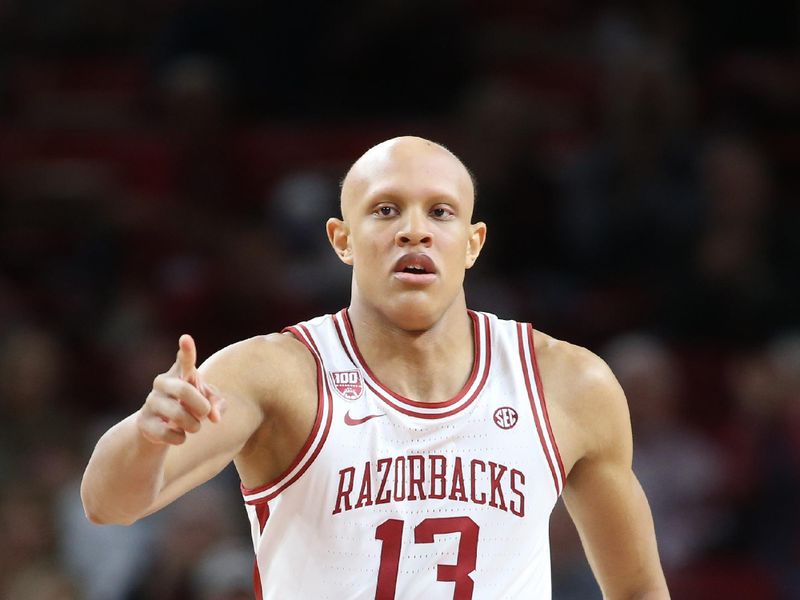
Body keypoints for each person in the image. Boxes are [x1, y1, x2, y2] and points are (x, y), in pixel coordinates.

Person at [81, 136, 669, 599]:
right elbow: (109, 504)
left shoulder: (568, 383)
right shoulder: (277, 374)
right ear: (342, 239)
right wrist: (145, 434)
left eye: (440, 212)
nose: (415, 230)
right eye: (386, 209)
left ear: (472, 242)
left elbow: (640, 587)